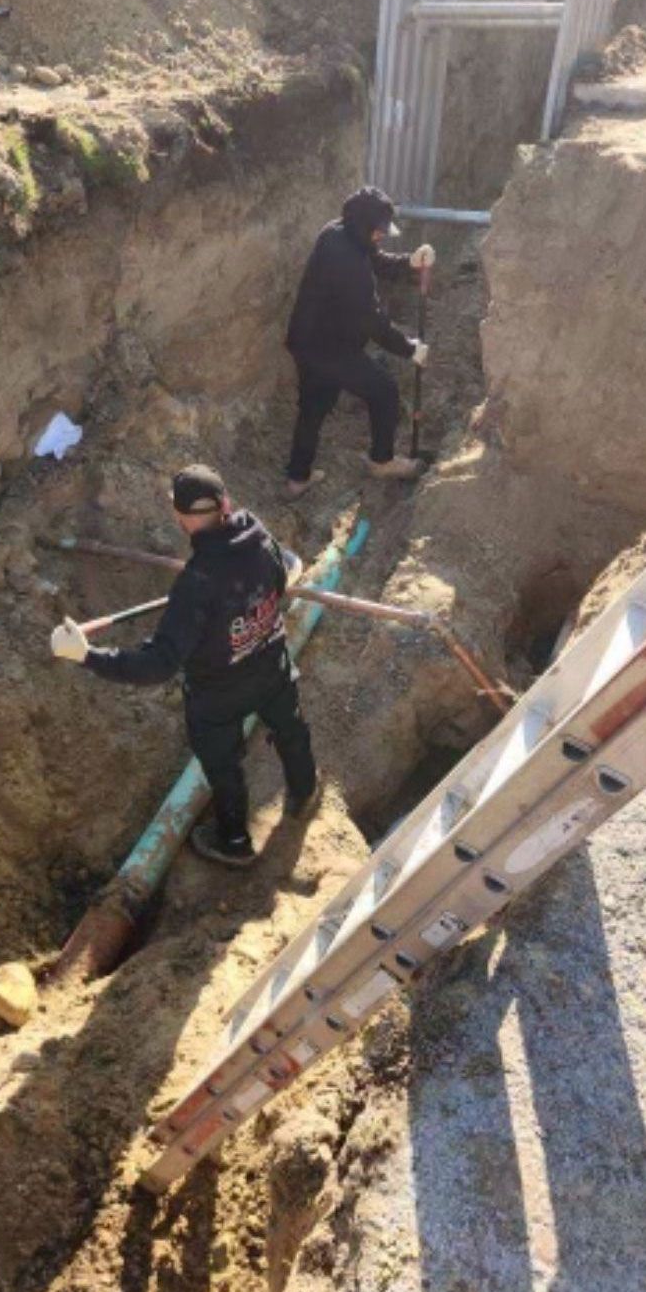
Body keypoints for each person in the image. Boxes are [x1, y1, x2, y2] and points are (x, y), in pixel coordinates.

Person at [49, 465, 317, 868]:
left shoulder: (196, 586)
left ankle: (235, 842)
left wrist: (87, 655)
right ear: (226, 502)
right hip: (271, 665)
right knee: (291, 727)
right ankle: (304, 790)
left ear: (179, 517)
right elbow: (279, 580)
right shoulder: (260, 538)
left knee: (224, 767)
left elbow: (158, 664)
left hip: (217, 695)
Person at [284, 185, 435, 499]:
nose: (381, 236)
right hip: (332, 347)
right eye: (378, 231)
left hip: (307, 339)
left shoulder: (339, 232)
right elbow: (373, 322)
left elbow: (376, 259)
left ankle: (297, 479)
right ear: (364, 227)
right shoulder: (347, 263)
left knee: (313, 406)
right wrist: (410, 349)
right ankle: (382, 461)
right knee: (384, 391)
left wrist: (410, 261)